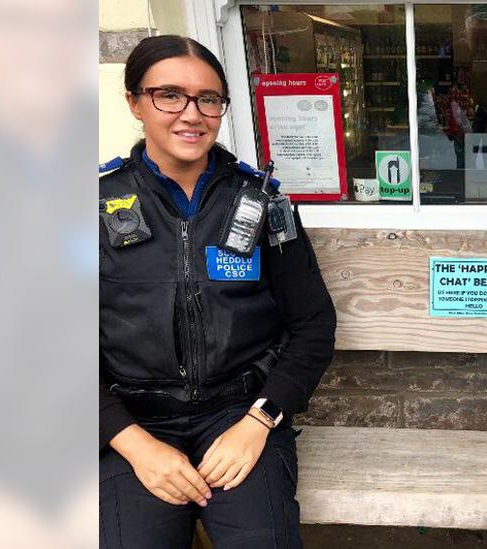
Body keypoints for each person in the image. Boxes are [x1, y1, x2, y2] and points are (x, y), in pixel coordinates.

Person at [98, 35, 336, 548]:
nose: (192, 114)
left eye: (209, 99)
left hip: (239, 415)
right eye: (170, 95)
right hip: (129, 421)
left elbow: (313, 325)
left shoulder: (262, 201)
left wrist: (260, 421)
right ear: (135, 102)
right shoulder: (89, 205)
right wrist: (137, 446)